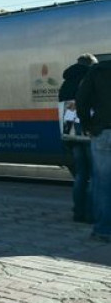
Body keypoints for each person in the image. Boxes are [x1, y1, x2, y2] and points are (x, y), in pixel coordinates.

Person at [59, 54, 98, 223]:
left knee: (81, 174)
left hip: (72, 134)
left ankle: (78, 212)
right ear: (90, 64)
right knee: (95, 174)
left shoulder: (66, 83)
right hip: (87, 133)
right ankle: (90, 213)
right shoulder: (90, 78)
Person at [77, 58, 111, 243]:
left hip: (103, 132)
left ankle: (104, 230)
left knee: (103, 183)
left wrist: (87, 124)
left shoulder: (97, 71)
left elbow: (81, 99)